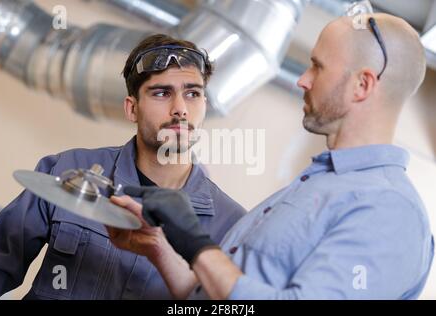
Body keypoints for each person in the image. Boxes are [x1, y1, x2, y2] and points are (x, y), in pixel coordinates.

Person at [108, 13, 435, 299]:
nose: (302, 80)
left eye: (317, 67)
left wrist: (196, 244)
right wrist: (158, 246)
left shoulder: (388, 209)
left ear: (362, 85)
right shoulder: (315, 184)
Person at [0, 34, 246, 300]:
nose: (180, 109)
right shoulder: (67, 170)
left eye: (192, 93)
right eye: (161, 93)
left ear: (204, 104)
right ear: (132, 109)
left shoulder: (233, 226)